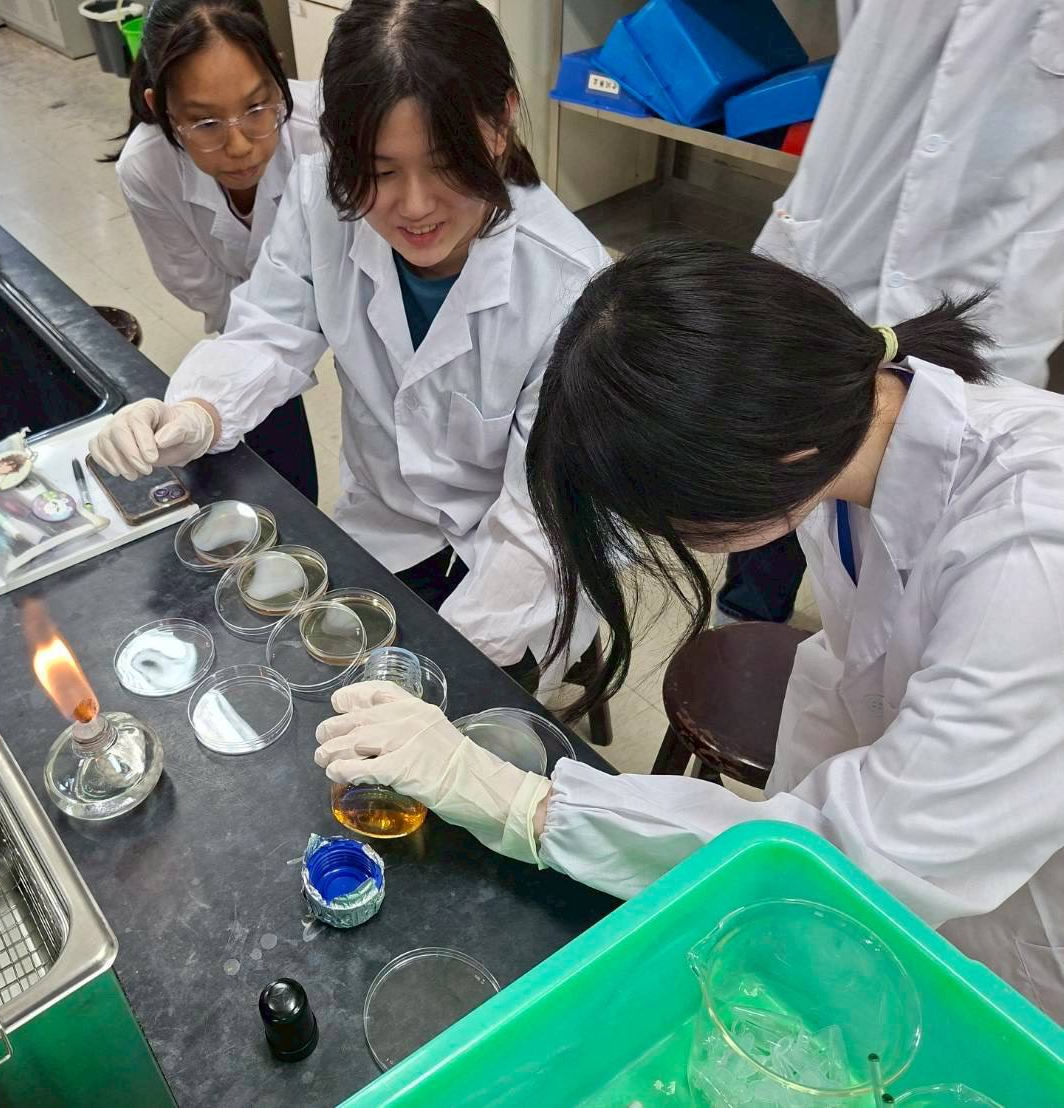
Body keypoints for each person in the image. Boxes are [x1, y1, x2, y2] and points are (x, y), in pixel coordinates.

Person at [315, 240, 1064, 1021]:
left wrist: (526, 806)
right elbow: (856, 700)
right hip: (922, 851)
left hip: (1017, 920)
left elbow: (868, 857)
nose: (659, 537)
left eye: (668, 521)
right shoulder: (835, 433)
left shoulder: (1031, 556)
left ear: (781, 462)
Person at [91, 0, 608, 679]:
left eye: (447, 163)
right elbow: (270, 329)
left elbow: (545, 518)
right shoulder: (322, 197)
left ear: (503, 118)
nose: (414, 207)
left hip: (512, 566)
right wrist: (197, 410)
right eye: (380, 170)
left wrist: (448, 661)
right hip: (386, 530)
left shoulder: (573, 286)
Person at [717, 0, 1064, 625]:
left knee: (943, 547)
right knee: (773, 465)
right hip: (840, 238)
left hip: (988, 284)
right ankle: (746, 625)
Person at [106, 0, 320, 503]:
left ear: (279, 76)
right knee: (276, 473)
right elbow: (217, 299)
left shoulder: (325, 131)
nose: (240, 146)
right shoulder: (146, 168)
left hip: (342, 301)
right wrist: (203, 409)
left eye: (256, 108)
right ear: (161, 108)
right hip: (242, 324)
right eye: (205, 123)